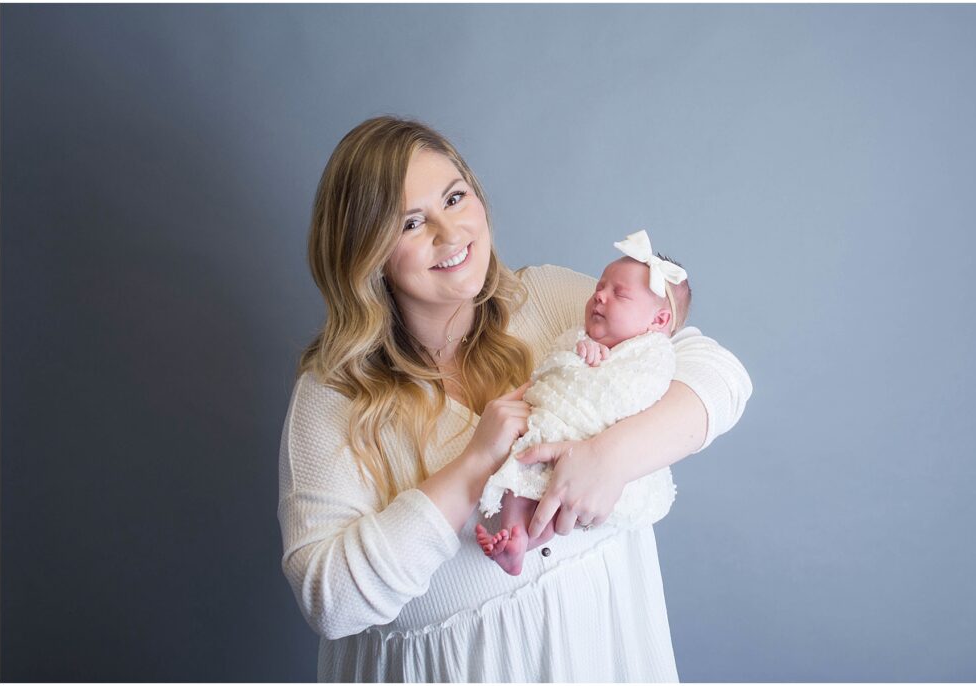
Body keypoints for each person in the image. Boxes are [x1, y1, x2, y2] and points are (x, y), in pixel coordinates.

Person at [277, 116, 752, 682]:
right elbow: (329, 600)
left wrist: (610, 458)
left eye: (455, 197)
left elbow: (719, 373)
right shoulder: (334, 395)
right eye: (410, 222)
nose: (450, 234)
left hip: (605, 650)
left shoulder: (547, 298)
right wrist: (474, 464)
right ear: (366, 253)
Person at [475, 234, 692, 576]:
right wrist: (582, 352)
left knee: (554, 497)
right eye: (599, 288)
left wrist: (598, 366)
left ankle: (525, 538)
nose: (599, 297)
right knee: (522, 472)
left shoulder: (654, 354)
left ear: (660, 322)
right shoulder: (583, 335)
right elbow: (556, 364)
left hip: (594, 437)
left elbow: (642, 392)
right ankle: (516, 538)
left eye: (619, 294)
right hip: (554, 423)